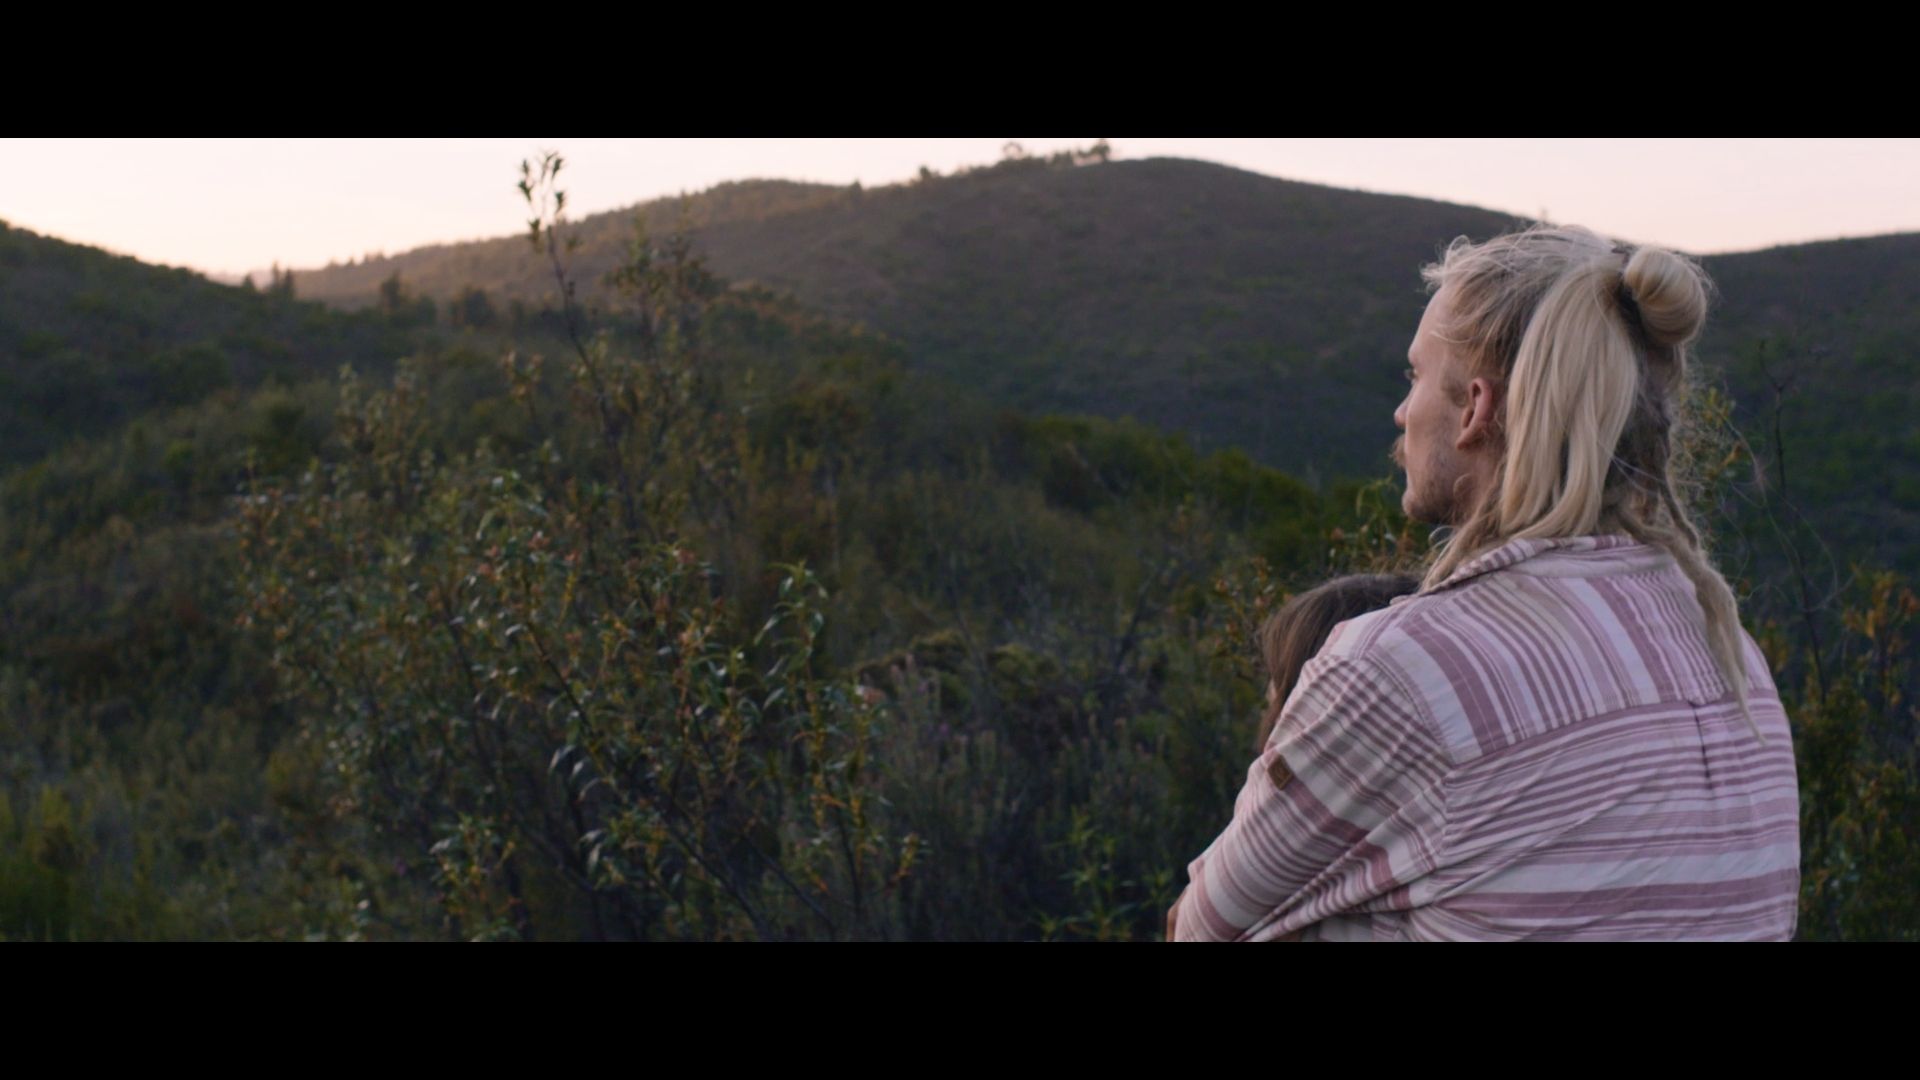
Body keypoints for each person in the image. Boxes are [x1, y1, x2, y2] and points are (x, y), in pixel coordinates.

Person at [1168, 224, 1802, 941]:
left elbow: (1198, 928)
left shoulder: (1403, 669)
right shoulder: (1732, 655)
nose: (1402, 412)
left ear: (1475, 409)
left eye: (1414, 378)